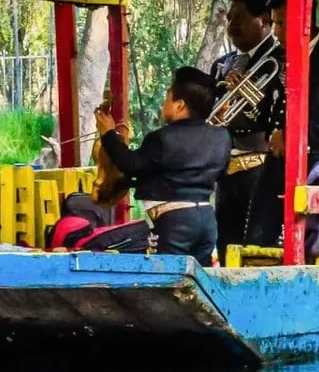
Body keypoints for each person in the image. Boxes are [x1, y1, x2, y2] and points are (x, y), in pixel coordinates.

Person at [251, 0, 319, 257]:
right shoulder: (276, 55)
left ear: (304, 21)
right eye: (274, 23)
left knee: (308, 243)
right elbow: (269, 106)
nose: (275, 31)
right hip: (277, 160)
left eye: (281, 23)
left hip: (314, 160)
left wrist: (292, 136)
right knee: (257, 238)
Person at [93, 67, 230, 263]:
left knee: (168, 278)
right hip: (207, 220)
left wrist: (108, 134)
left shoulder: (162, 138)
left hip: (174, 222)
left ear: (180, 105)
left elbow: (131, 165)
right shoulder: (222, 136)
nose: (163, 103)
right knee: (200, 276)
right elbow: (219, 172)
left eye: (168, 97)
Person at [208, 0, 278, 254]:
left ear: (263, 19)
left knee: (256, 246)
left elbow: (281, 110)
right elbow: (209, 111)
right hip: (226, 168)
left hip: (261, 167)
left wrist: (252, 98)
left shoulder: (279, 59)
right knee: (226, 242)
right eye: (229, 19)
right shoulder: (221, 65)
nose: (231, 26)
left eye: (239, 18)